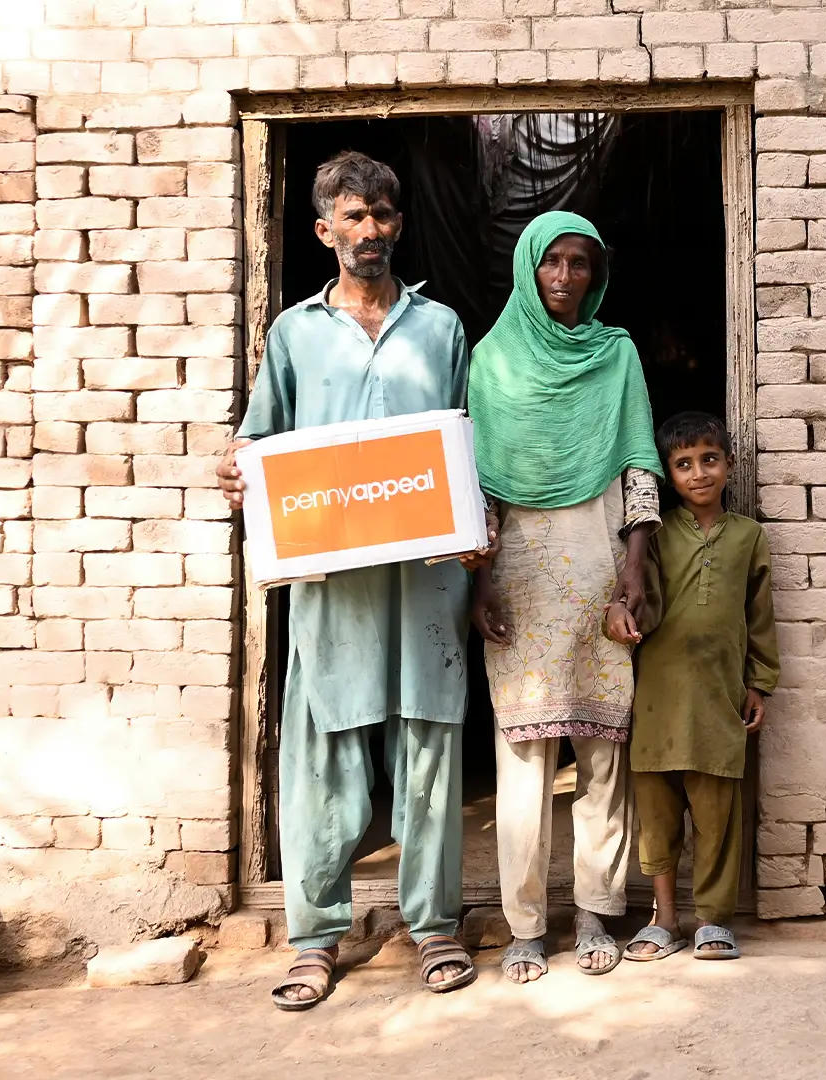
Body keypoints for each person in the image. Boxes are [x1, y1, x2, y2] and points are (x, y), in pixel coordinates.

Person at [218, 151, 484, 1009]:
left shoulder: (441, 328)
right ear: (324, 230)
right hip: (334, 583)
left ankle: (434, 926)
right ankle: (317, 938)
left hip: (426, 579)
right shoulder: (293, 334)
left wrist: (479, 527)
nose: (369, 231)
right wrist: (242, 474)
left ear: (398, 227)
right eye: (353, 216)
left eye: (382, 216)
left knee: (431, 753)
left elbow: (471, 444)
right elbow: (261, 443)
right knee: (325, 753)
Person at [467, 211, 662, 983]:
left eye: (582, 264)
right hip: (517, 574)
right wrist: (478, 584)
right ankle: (523, 925)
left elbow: (640, 463)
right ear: (527, 269)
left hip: (600, 568)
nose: (566, 278)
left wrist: (635, 566)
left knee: (603, 753)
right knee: (522, 758)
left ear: (598, 273)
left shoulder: (616, 356)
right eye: (552, 263)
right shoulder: (492, 361)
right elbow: (479, 488)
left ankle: (594, 912)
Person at [608, 411, 780, 962]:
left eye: (709, 459)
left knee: (717, 817)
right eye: (683, 464)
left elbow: (761, 619)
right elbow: (639, 596)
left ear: (730, 464)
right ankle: (665, 920)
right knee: (657, 819)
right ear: (668, 476)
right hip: (658, 699)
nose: (698, 473)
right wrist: (618, 614)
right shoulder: (655, 538)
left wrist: (760, 683)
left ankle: (713, 920)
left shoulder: (749, 537)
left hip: (719, 699)